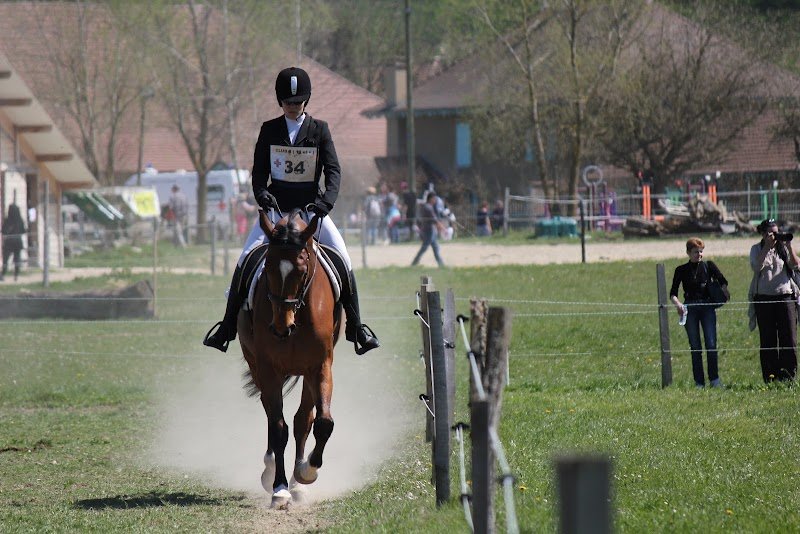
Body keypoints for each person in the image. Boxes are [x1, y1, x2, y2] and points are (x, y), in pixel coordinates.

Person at [203, 66, 379, 355]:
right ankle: (227, 327)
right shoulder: (269, 130)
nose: (293, 107)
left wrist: (326, 203)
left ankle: (357, 328)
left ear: (306, 101)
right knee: (245, 258)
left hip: (311, 210)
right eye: (288, 102)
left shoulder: (319, 130)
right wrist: (262, 195)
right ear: (280, 101)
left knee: (344, 259)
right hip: (276, 210)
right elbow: (259, 173)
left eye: (298, 102)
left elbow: (333, 171)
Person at [670, 237, 729, 388]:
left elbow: (723, 280)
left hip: (707, 307)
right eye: (696, 252)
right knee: (695, 346)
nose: (699, 254)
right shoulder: (681, 270)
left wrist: (724, 290)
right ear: (688, 253)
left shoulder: (709, 266)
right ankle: (699, 383)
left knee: (711, 344)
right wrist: (678, 304)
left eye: (701, 251)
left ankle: (714, 380)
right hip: (689, 308)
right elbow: (673, 293)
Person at [748, 218, 799, 383]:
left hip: (785, 296)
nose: (775, 236)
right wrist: (767, 247)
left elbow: (796, 265)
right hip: (764, 298)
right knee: (768, 339)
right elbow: (756, 267)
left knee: (789, 338)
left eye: (777, 232)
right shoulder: (756, 249)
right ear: (763, 234)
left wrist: (789, 247)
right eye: (771, 233)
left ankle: (788, 377)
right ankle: (771, 377)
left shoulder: (782, 247)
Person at [411, 192, 446, 268]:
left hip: (430, 230)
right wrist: (443, 228)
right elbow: (434, 219)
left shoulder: (427, 206)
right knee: (424, 248)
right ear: (431, 199)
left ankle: (441, 264)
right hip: (429, 230)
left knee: (435, 248)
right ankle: (414, 263)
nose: (435, 200)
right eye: (434, 199)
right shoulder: (428, 207)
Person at [1, 202, 26, 281]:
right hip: (18, 241)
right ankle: (16, 275)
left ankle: (3, 274)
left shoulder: (8, 220)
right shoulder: (20, 220)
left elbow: (3, 231)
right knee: (17, 259)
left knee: (6, 259)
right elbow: (23, 231)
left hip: (9, 241)